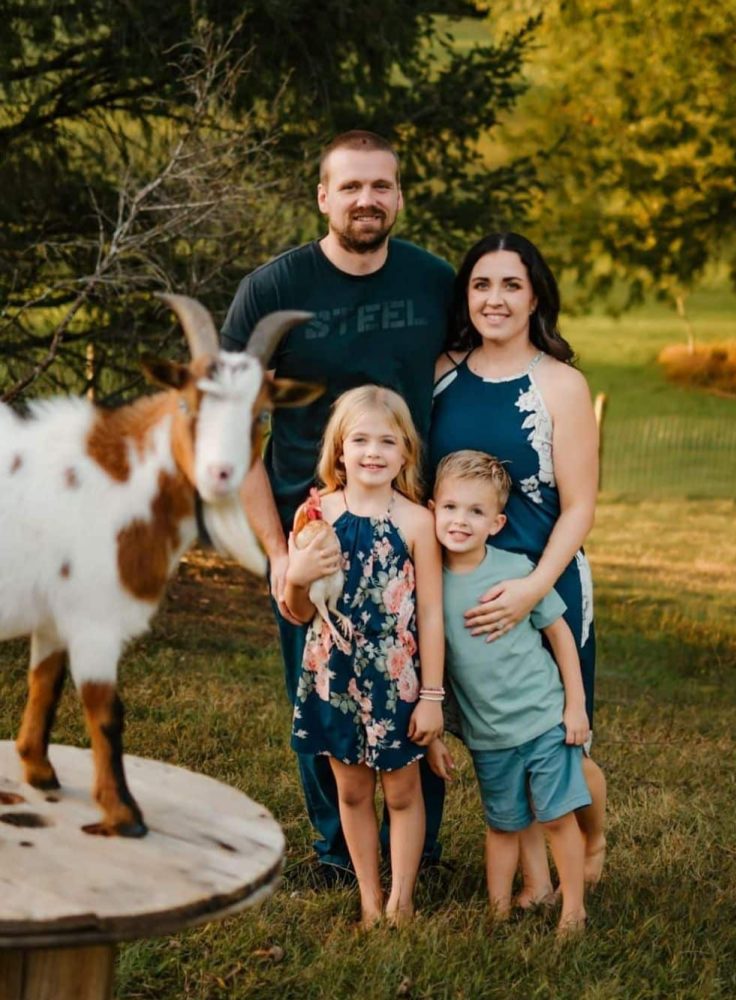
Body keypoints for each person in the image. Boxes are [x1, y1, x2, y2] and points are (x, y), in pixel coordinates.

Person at [221, 130, 454, 879]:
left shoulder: (434, 282)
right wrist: (278, 553)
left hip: (410, 529)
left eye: (380, 186)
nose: (366, 200)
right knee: (326, 696)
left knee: (414, 686)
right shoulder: (273, 292)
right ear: (322, 196)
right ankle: (338, 855)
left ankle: (419, 850)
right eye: (349, 186)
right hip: (313, 531)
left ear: (398, 196)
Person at [429, 233, 606, 896]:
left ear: (535, 297)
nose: (495, 299)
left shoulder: (562, 384)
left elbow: (581, 506)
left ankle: (592, 837)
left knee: (560, 735)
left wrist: (533, 588)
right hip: (462, 583)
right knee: (499, 735)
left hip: (545, 579)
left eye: (510, 285)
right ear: (466, 296)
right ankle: (533, 881)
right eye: (481, 285)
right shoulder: (439, 371)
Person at [285, 386, 444, 926]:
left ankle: (402, 902)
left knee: (402, 791)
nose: (373, 452)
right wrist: (298, 576)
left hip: (395, 682)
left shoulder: (417, 522)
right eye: (360, 440)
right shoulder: (314, 514)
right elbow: (298, 611)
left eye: (387, 441)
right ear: (339, 450)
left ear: (405, 452)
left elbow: (431, 617)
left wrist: (431, 696)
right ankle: (370, 901)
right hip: (333, 675)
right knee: (351, 791)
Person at [427, 450, 591, 933]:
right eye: (451, 507)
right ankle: (498, 911)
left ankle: (573, 910)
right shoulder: (427, 583)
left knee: (558, 817)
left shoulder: (515, 569)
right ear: (433, 507)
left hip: (543, 718)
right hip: (488, 734)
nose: (461, 521)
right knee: (503, 823)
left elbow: (560, 634)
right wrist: (437, 734)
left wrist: (575, 706)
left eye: (476, 512)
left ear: (496, 523)